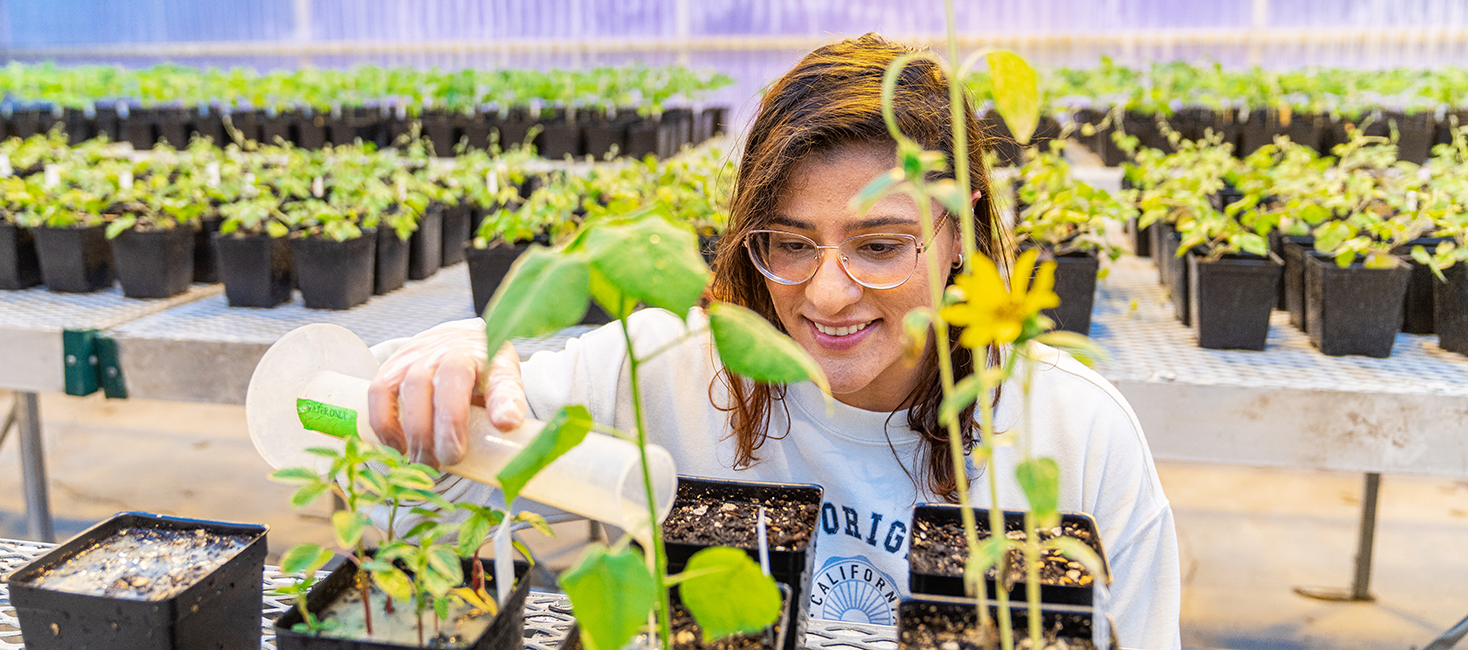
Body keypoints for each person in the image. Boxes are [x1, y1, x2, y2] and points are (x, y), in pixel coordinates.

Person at [367, 34, 1181, 650]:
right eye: (790, 244)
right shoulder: (669, 368)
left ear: (960, 226)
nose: (827, 294)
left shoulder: (1068, 431)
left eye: (880, 245)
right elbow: (409, 503)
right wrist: (458, 359)